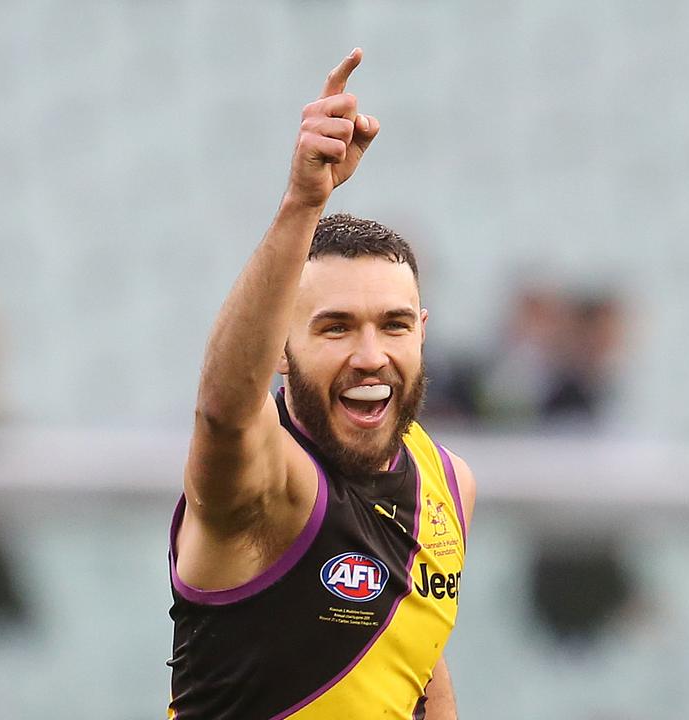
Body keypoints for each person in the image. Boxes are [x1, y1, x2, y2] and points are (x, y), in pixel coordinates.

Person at [167, 49, 476, 720]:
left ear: (421, 333)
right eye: (335, 328)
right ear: (282, 347)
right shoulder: (264, 482)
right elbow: (224, 412)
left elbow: (418, 662)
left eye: (393, 325)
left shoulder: (446, 482)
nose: (371, 355)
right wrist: (302, 205)